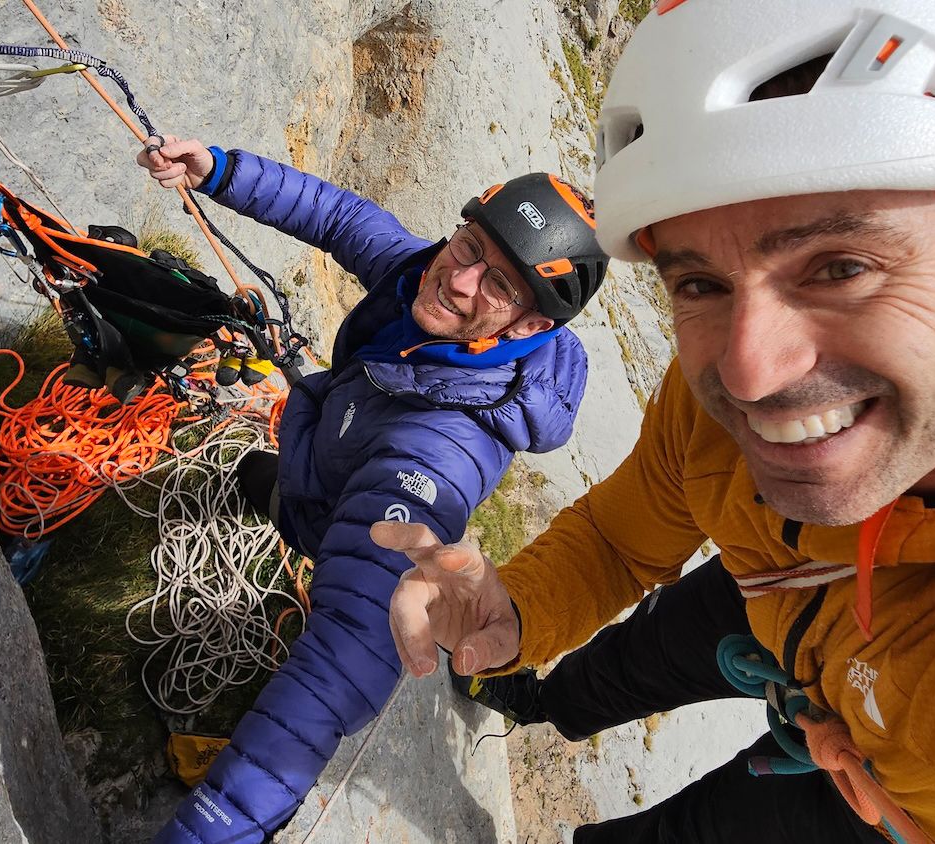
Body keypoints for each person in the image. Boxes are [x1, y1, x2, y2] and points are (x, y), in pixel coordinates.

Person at [378, 1, 935, 841]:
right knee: (622, 667)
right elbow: (622, 539)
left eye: (840, 266)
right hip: (776, 594)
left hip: (870, 799)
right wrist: (520, 610)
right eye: (700, 283)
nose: (750, 372)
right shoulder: (720, 410)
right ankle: (525, 692)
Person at [135, 137, 608, 842]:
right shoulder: (421, 274)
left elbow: (350, 654)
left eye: (501, 286)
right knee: (252, 477)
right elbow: (339, 217)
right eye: (470, 246)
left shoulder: (442, 453)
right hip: (321, 463)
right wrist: (221, 171)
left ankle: (268, 815)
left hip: (343, 507)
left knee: (331, 608)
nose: (461, 280)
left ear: (532, 325)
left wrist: (212, 829)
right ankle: (284, 507)